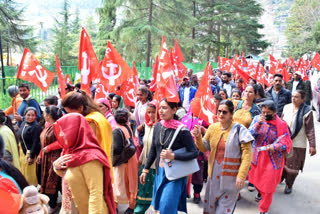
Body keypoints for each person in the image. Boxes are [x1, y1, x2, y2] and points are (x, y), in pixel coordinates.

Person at [192, 100, 254, 214]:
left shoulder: (239, 130)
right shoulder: (213, 128)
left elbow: (247, 154)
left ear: (231, 114)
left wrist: (241, 175)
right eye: (219, 111)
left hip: (232, 178)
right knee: (211, 209)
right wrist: (198, 137)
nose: (221, 114)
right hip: (213, 176)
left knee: (223, 211)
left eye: (224, 112)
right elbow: (204, 147)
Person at [140, 98, 198, 214]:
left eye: (165, 108)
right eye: (160, 108)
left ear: (174, 110)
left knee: (167, 207)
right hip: (159, 173)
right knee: (159, 207)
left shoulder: (182, 130)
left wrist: (173, 156)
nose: (161, 111)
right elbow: (153, 149)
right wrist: (145, 170)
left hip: (174, 176)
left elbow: (194, 153)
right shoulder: (158, 126)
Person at [53, 113, 116, 214]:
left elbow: (95, 193)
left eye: (63, 130)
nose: (60, 134)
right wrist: (56, 166)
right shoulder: (71, 150)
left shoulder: (91, 158)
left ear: (74, 131)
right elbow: (72, 176)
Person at [248, 100, 292, 214]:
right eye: (263, 112)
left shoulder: (282, 124)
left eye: (268, 113)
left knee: (268, 186)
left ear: (275, 112)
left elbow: (286, 142)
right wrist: (258, 123)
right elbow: (249, 135)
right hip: (257, 157)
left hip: (272, 160)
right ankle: (260, 193)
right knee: (256, 181)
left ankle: (264, 209)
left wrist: (276, 146)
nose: (265, 115)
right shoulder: (257, 119)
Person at [61, 91, 114, 179]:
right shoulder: (98, 116)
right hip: (102, 161)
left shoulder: (89, 121)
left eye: (70, 112)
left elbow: (86, 147)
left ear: (81, 108)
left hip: (92, 166)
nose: (68, 115)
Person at [281, 90, 316, 194]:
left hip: (298, 144)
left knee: (293, 167)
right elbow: (281, 123)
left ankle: (289, 184)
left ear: (302, 99)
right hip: (285, 141)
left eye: (296, 97)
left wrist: (312, 145)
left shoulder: (307, 111)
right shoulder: (286, 107)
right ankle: (281, 177)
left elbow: (310, 129)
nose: (293, 99)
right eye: (292, 96)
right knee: (282, 162)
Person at [134, 101, 159, 214]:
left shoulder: (160, 127)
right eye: (149, 112)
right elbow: (146, 146)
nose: (151, 115)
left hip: (156, 166)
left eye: (154, 112)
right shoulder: (147, 126)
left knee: (152, 193)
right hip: (145, 164)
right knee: (142, 191)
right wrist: (140, 161)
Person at [112, 108, 138, 214]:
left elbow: (117, 149)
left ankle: (114, 207)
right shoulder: (127, 127)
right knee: (131, 184)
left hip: (122, 162)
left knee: (117, 185)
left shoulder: (117, 130)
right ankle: (131, 207)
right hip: (131, 158)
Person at [38, 106, 63, 213]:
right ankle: (53, 204)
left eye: (44, 113)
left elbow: (62, 141)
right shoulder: (48, 125)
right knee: (50, 181)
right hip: (47, 158)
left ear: (49, 115)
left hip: (55, 158)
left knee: (54, 182)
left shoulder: (58, 125)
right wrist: (40, 154)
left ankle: (54, 205)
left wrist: (49, 148)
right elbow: (43, 140)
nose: (43, 115)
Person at [17, 107, 42, 185]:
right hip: (23, 152)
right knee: (23, 171)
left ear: (35, 116)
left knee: (29, 174)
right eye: (28, 115)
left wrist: (31, 156)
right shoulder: (24, 123)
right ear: (24, 115)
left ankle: (31, 189)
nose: (30, 117)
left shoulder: (36, 127)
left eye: (33, 115)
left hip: (30, 153)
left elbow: (36, 142)